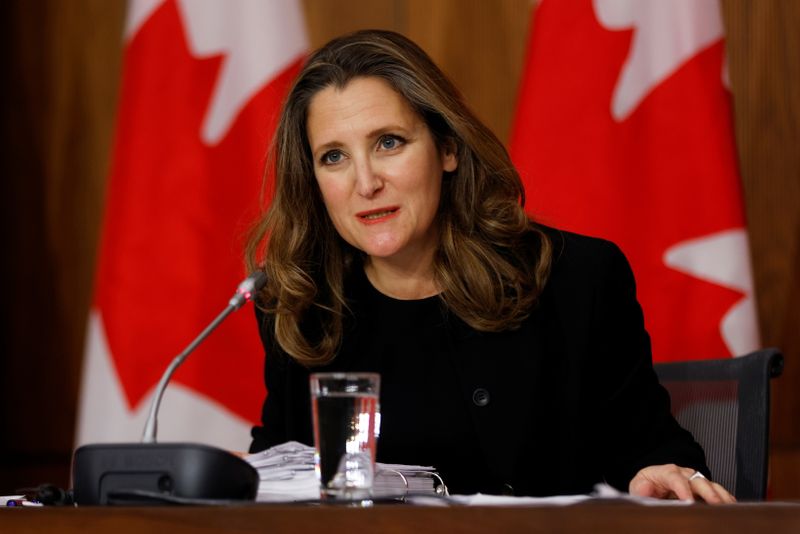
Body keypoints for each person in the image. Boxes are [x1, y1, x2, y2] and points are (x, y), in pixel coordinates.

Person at [246, 29, 734, 503]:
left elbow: (654, 450)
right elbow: (276, 477)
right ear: (312, 181)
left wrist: (660, 474)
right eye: (334, 157)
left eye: (389, 142)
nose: (366, 182)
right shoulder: (301, 308)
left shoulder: (574, 280)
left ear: (448, 149)